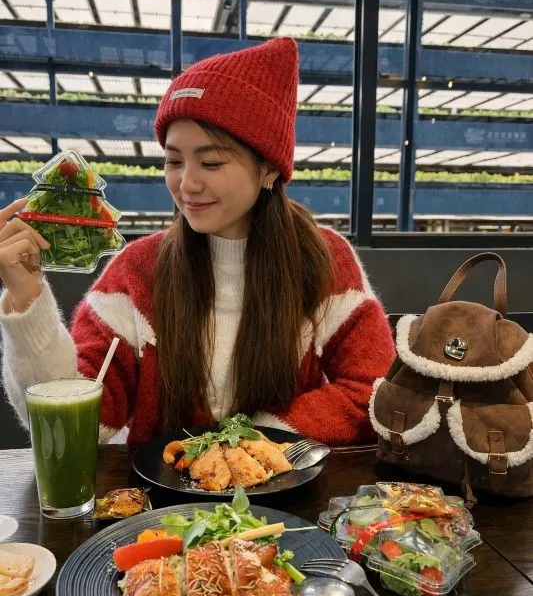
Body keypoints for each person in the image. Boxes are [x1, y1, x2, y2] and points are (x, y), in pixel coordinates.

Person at [0, 37, 394, 446]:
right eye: (173, 161)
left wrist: (253, 441)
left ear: (269, 169)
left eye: (211, 162)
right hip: (158, 490)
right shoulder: (136, 271)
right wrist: (26, 298)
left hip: (287, 486)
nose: (187, 183)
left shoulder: (324, 258)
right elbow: (74, 431)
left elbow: (374, 391)